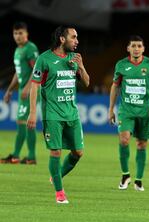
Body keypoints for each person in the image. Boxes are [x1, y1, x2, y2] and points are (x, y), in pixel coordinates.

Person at [27, 26, 90, 204]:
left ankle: (57, 176)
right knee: (56, 152)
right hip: (52, 114)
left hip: (72, 114)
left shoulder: (74, 58)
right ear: (62, 39)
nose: (77, 41)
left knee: (78, 152)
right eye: (73, 37)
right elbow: (35, 86)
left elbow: (86, 82)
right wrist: (33, 113)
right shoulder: (44, 59)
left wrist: (81, 67)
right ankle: (60, 192)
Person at [108, 35, 149, 192]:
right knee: (124, 140)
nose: (136, 48)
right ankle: (125, 175)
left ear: (143, 48)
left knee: (141, 144)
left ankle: (138, 180)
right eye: (133, 46)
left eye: (139, 46)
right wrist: (111, 109)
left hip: (145, 111)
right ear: (128, 48)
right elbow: (114, 87)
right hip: (126, 111)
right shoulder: (121, 65)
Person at [1, 22, 39, 165]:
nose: (18, 36)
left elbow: (36, 69)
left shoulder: (30, 48)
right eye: (15, 33)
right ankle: (29, 157)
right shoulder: (18, 50)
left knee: (23, 121)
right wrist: (10, 90)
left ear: (26, 34)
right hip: (23, 89)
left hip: (31, 90)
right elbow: (18, 73)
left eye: (20, 33)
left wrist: (29, 87)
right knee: (25, 123)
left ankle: (19, 156)